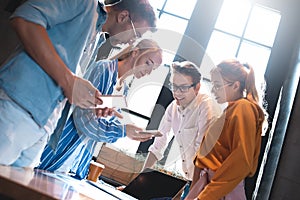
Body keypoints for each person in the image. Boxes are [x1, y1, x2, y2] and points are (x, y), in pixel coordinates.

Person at [0, 0, 157, 168]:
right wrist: (69, 81)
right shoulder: (85, 3)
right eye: (137, 34)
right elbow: (25, 19)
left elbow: (68, 81)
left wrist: (90, 100)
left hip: (45, 126)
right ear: (124, 16)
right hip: (17, 108)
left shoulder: (96, 37)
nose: (133, 42)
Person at [37, 38, 163, 179]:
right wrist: (123, 130)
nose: (149, 71)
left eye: (153, 69)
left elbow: (106, 127)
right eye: (148, 63)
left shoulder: (123, 90)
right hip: (58, 150)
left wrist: (131, 131)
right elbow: (86, 121)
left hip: (75, 162)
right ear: (135, 53)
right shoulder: (104, 69)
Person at [186, 59, 268, 200]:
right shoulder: (231, 110)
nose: (213, 90)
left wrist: (205, 196)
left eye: (217, 85)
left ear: (235, 86)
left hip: (220, 190)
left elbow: (241, 160)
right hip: (211, 186)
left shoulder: (243, 108)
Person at [142, 61, 221, 199]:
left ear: (197, 87)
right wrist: (138, 184)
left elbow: (201, 156)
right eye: (174, 86)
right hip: (191, 180)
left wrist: (192, 195)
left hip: (211, 185)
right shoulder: (173, 108)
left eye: (183, 88)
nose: (177, 93)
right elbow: (158, 145)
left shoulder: (207, 107)